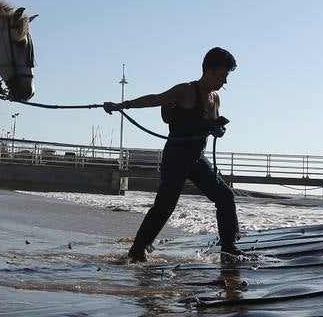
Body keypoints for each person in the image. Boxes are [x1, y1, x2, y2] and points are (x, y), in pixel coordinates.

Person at [103, 47, 246, 263]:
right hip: (177, 156)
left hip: (198, 158)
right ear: (209, 70)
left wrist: (219, 130)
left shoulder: (215, 98)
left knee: (225, 196)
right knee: (166, 204)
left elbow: (212, 126)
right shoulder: (186, 90)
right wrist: (122, 105)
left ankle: (229, 248)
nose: (225, 81)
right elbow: (155, 99)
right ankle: (138, 250)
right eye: (223, 75)